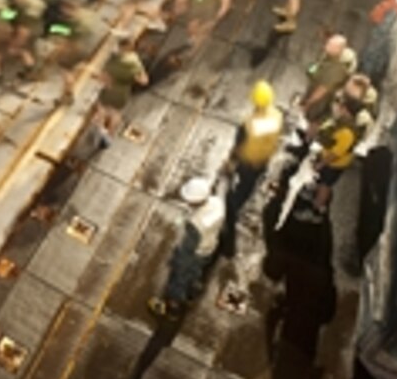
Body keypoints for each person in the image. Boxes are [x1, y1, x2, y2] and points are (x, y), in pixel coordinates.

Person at [148, 177, 226, 320]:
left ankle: (172, 307)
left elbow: (186, 252)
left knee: (179, 279)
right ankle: (191, 290)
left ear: (196, 201)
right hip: (208, 248)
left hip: (193, 253)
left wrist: (177, 263)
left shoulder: (196, 225)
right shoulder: (217, 203)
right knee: (195, 273)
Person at [222, 81, 284, 257]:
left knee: (232, 199)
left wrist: (230, 162)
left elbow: (239, 144)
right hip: (262, 162)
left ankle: (229, 239)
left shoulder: (250, 123)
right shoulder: (277, 116)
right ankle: (242, 197)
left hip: (248, 161)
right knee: (248, 186)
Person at [91, 37, 149, 147]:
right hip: (123, 94)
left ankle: (101, 133)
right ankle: (109, 137)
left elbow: (103, 77)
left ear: (121, 47)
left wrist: (93, 75)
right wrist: (131, 77)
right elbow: (144, 81)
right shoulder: (135, 60)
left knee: (101, 111)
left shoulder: (113, 60)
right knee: (115, 113)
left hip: (109, 90)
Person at [48, 0, 105, 105]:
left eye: (64, 9)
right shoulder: (88, 13)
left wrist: (58, 49)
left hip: (80, 47)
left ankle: (67, 95)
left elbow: (70, 41)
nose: (63, 12)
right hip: (95, 44)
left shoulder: (74, 22)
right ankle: (91, 71)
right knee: (78, 65)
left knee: (66, 68)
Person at [310, 99, 359, 213]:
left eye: (340, 106)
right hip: (327, 158)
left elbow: (335, 154)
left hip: (334, 164)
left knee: (325, 185)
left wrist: (321, 164)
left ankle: (317, 208)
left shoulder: (347, 132)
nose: (337, 108)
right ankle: (316, 197)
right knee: (322, 181)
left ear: (346, 110)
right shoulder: (341, 122)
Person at [300, 34, 357, 121]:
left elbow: (323, 89)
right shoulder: (327, 59)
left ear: (338, 49)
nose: (327, 45)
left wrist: (308, 103)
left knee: (312, 120)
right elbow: (313, 70)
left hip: (318, 105)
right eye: (328, 43)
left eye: (331, 44)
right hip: (313, 94)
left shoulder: (336, 70)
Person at [7, 0, 47, 78]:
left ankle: (31, 71)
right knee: (32, 50)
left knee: (22, 50)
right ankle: (37, 70)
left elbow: (24, 28)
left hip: (28, 29)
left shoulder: (24, 5)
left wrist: (15, 45)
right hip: (38, 28)